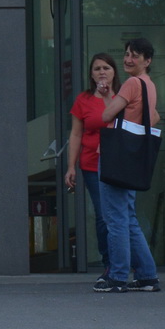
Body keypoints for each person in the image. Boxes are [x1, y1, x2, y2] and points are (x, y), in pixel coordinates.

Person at [92, 39, 161, 293]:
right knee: (128, 217)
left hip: (115, 156)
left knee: (115, 219)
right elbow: (138, 114)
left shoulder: (133, 83)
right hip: (131, 158)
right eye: (127, 54)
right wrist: (108, 94)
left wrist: (107, 99)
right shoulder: (149, 85)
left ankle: (118, 276)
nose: (129, 59)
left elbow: (108, 115)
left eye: (136, 55)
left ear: (147, 60)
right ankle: (147, 275)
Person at [64, 53, 119, 275]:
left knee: (123, 214)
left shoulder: (123, 96)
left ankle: (126, 261)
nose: (102, 72)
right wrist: (71, 166)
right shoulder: (83, 100)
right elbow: (76, 135)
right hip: (91, 165)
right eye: (97, 68)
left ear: (114, 71)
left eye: (106, 67)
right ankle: (110, 263)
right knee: (103, 214)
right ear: (91, 75)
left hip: (119, 164)